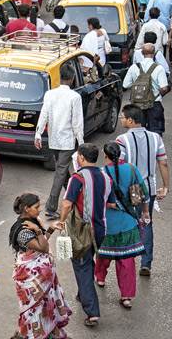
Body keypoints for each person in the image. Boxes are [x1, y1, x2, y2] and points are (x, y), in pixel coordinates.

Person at [57, 143, 117, 328]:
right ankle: (83, 292)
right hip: (100, 229)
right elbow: (112, 204)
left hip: (81, 230)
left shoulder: (78, 178)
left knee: (81, 265)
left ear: (81, 158)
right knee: (87, 260)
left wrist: (61, 221)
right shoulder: (106, 178)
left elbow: (67, 204)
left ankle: (92, 312)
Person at [116, 104, 169, 276]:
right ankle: (146, 263)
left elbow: (120, 166)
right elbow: (163, 162)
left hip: (132, 188)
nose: (121, 120)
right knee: (147, 223)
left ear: (131, 120)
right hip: (149, 187)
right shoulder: (155, 138)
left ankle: (127, 259)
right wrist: (166, 186)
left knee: (129, 223)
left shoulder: (122, 140)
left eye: (123, 117)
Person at [9, 193, 71, 339]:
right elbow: (42, 248)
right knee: (35, 312)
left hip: (42, 278)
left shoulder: (32, 220)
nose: (40, 210)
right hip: (31, 280)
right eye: (37, 207)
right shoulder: (23, 230)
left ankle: (50, 333)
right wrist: (38, 230)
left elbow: (41, 243)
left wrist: (50, 229)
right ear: (26, 208)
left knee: (47, 308)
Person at [96, 142, 149, 309]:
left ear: (105, 156)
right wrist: (145, 213)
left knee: (103, 255)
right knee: (127, 261)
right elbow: (142, 195)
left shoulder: (102, 173)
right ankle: (126, 296)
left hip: (107, 224)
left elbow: (97, 199)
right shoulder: (132, 169)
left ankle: (100, 277)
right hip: (128, 222)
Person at [35, 65, 84, 219]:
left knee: (62, 171)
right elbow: (77, 122)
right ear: (72, 78)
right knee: (60, 172)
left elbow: (44, 115)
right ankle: (51, 207)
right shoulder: (75, 97)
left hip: (53, 138)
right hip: (67, 140)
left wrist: (38, 134)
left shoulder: (50, 94)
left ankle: (74, 196)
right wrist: (81, 143)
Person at [123, 43, 169, 136]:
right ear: (154, 53)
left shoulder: (134, 67)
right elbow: (164, 88)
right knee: (156, 133)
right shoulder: (159, 68)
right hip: (154, 104)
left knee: (137, 132)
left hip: (137, 105)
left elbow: (125, 84)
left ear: (142, 53)